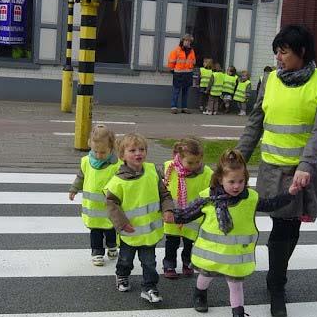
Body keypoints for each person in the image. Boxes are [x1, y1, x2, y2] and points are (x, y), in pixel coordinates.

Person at [236, 24, 317, 317]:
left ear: (302, 52)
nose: (279, 58)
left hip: (304, 170)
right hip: (273, 168)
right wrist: (238, 158)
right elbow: (255, 122)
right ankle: (277, 285)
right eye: (277, 52)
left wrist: (306, 165)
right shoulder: (269, 80)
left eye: (285, 52)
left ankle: (277, 276)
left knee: (291, 226)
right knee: (282, 225)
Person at [174, 149, 299, 317]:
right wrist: (170, 214)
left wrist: (290, 194)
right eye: (231, 182)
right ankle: (199, 293)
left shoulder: (251, 199)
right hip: (211, 256)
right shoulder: (208, 198)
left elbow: (271, 204)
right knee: (205, 277)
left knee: (236, 286)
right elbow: (186, 214)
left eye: (241, 181)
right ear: (219, 180)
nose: (236, 186)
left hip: (235, 258)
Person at [105, 133, 174, 304]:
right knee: (126, 259)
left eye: (142, 149)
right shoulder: (118, 181)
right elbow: (111, 205)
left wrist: (167, 210)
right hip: (130, 231)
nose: (138, 153)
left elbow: (164, 194)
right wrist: (122, 224)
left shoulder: (152, 171)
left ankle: (149, 287)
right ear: (122, 156)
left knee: (149, 262)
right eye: (132, 150)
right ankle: (122, 275)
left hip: (149, 232)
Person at [69, 124, 121, 266]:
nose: (98, 155)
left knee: (110, 230)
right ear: (90, 145)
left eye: (103, 152)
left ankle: (112, 246)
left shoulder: (117, 166)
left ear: (112, 148)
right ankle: (97, 252)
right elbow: (81, 177)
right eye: (95, 151)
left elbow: (123, 183)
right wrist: (74, 189)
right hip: (92, 209)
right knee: (95, 231)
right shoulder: (86, 161)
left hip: (110, 208)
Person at [162, 137, 213, 278]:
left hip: (193, 216)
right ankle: (169, 265)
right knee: (171, 242)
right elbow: (162, 188)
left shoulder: (206, 173)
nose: (194, 166)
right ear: (179, 156)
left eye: (197, 162)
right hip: (174, 214)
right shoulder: (169, 168)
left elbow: (211, 190)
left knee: (190, 243)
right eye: (190, 162)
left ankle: (187, 263)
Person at [167, 34, 196, 114]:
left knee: (185, 92)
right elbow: (171, 61)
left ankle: (184, 107)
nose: (187, 42)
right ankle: (174, 107)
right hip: (178, 74)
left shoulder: (192, 51)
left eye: (189, 41)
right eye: (186, 40)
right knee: (176, 91)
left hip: (188, 74)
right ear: (182, 41)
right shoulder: (176, 50)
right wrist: (172, 70)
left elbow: (193, 62)